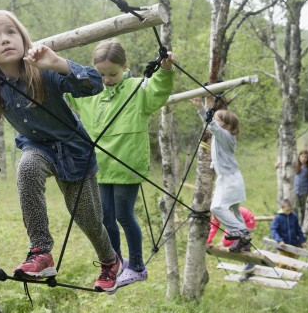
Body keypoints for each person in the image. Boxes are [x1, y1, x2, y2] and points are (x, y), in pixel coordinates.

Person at [0, 10, 121, 294]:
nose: (5, 39)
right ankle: (41, 252)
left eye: (10, 32)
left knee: (89, 221)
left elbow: (93, 83)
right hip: (36, 147)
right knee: (27, 168)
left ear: (22, 37)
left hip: (73, 151)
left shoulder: (42, 69)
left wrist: (58, 63)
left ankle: (110, 260)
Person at [66, 40, 177, 287]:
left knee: (125, 216)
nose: (107, 79)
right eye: (101, 74)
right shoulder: (92, 92)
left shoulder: (137, 88)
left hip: (127, 164)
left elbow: (157, 90)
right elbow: (67, 93)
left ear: (125, 66)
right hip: (101, 166)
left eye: (112, 73)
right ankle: (114, 263)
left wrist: (166, 70)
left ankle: (137, 266)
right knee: (106, 218)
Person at [190, 98, 250, 253]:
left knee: (216, 207)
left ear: (227, 125)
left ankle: (240, 231)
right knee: (235, 211)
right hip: (231, 177)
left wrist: (201, 108)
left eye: (217, 120)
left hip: (230, 179)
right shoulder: (221, 136)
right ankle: (244, 241)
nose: (214, 123)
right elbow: (210, 126)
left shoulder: (226, 136)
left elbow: (211, 125)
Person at [270, 198, 306, 269]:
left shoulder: (294, 216)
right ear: (282, 208)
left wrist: (302, 241)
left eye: (290, 210)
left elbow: (298, 230)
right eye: (287, 210)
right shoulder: (278, 218)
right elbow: (273, 230)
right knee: (283, 263)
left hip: (293, 244)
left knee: (294, 264)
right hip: (283, 246)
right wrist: (279, 240)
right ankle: (282, 276)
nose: (289, 212)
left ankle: (294, 277)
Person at [294, 150, 308, 225]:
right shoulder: (296, 166)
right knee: (295, 208)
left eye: (305, 157)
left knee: (303, 209)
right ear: (299, 157)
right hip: (296, 191)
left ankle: (303, 225)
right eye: (302, 156)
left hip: (304, 192)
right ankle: (295, 224)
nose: (303, 159)